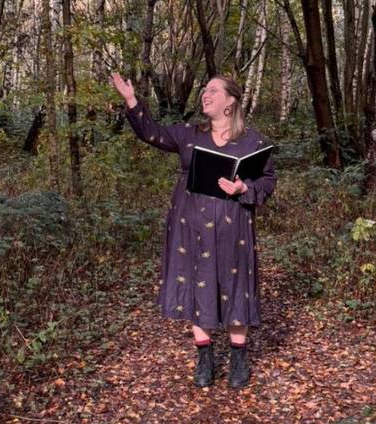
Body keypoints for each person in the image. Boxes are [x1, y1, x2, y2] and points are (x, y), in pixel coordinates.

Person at [110, 71, 277, 389]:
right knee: (198, 285)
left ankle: (239, 358)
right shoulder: (190, 134)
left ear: (230, 101)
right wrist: (131, 100)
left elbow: (268, 180)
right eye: (204, 89)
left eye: (213, 90)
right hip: (191, 228)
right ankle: (205, 359)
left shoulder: (252, 141)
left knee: (235, 285)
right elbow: (152, 133)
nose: (205, 93)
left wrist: (245, 187)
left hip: (234, 229)